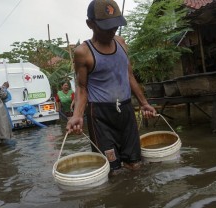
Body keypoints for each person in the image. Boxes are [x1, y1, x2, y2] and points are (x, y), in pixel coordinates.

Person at [66, 0, 157, 174]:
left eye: (115, 26)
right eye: (106, 27)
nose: (112, 31)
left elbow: (129, 75)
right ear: (90, 24)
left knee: (135, 164)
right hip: (100, 116)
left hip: (125, 110)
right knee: (111, 170)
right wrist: (77, 115)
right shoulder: (83, 52)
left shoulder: (122, 43)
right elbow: (82, 87)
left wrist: (143, 103)